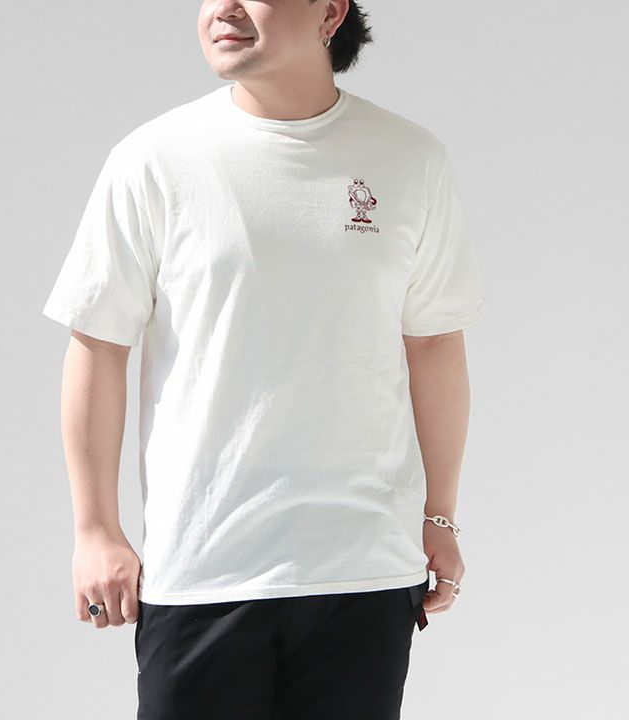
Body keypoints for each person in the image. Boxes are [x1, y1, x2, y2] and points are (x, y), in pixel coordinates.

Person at [42, 1, 488, 717]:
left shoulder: (410, 158)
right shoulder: (154, 158)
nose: (222, 9)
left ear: (329, 11)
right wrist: (95, 530)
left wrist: (441, 516)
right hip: (203, 567)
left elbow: (434, 345)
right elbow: (98, 344)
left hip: (363, 569)